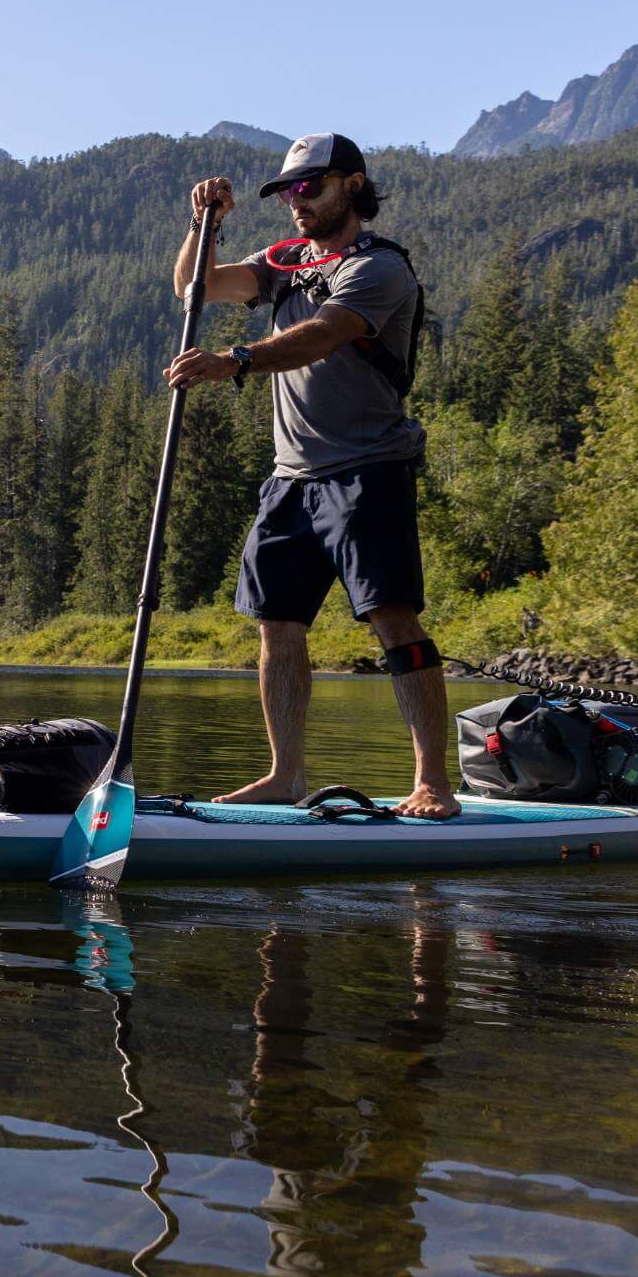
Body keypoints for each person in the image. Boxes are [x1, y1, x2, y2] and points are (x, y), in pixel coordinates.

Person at [164, 133, 458, 817]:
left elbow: (324, 334)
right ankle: (286, 773)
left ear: (352, 185)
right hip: (290, 477)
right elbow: (194, 289)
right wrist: (201, 226)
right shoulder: (284, 260)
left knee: (393, 619)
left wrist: (235, 360)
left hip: (367, 469)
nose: (297, 202)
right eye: (288, 191)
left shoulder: (381, 269)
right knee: (276, 623)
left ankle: (433, 782)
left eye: (311, 187)